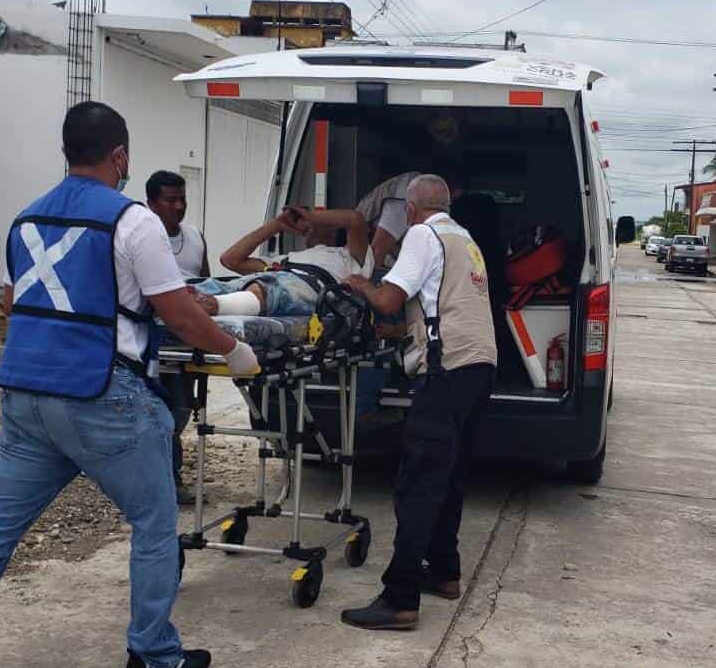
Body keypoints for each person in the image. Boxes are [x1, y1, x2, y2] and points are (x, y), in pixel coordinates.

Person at [0, 102, 259, 668]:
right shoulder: (134, 222)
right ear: (120, 157)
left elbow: (18, 303)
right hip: (103, 396)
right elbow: (178, 312)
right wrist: (235, 354)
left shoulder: (26, 220)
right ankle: (153, 653)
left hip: (26, 395)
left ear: (66, 152)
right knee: (152, 522)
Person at [337, 174, 497, 631]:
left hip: (446, 373)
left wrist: (360, 284)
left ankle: (400, 597)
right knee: (449, 477)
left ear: (409, 209)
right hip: (480, 367)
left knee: (417, 484)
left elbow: (389, 299)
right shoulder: (464, 240)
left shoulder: (423, 236)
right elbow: (434, 307)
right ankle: (444, 572)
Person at [145, 170, 207, 505]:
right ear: (151, 203)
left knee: (181, 410)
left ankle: (165, 476)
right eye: (171, 200)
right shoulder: (140, 238)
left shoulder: (195, 237)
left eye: (182, 199)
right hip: (154, 337)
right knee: (166, 411)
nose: (179, 206)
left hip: (188, 337)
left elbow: (207, 282)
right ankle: (165, 479)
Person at [192, 205, 372, 317]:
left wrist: (312, 216)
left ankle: (215, 305)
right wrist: (276, 225)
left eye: (315, 225)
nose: (307, 227)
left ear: (333, 230)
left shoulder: (348, 257)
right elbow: (230, 259)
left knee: (266, 290)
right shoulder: (288, 258)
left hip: (307, 286)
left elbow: (355, 219)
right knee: (206, 287)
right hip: (275, 275)